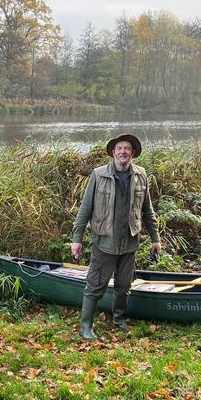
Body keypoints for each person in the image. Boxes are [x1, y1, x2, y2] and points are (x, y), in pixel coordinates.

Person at [71, 134, 160, 340]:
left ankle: (119, 319)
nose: (123, 152)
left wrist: (156, 238)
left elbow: (147, 210)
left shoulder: (141, 175)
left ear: (133, 153)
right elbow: (85, 210)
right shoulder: (98, 174)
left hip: (129, 240)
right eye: (119, 148)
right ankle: (86, 326)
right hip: (104, 241)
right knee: (95, 286)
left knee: (124, 285)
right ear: (113, 152)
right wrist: (77, 239)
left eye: (127, 148)